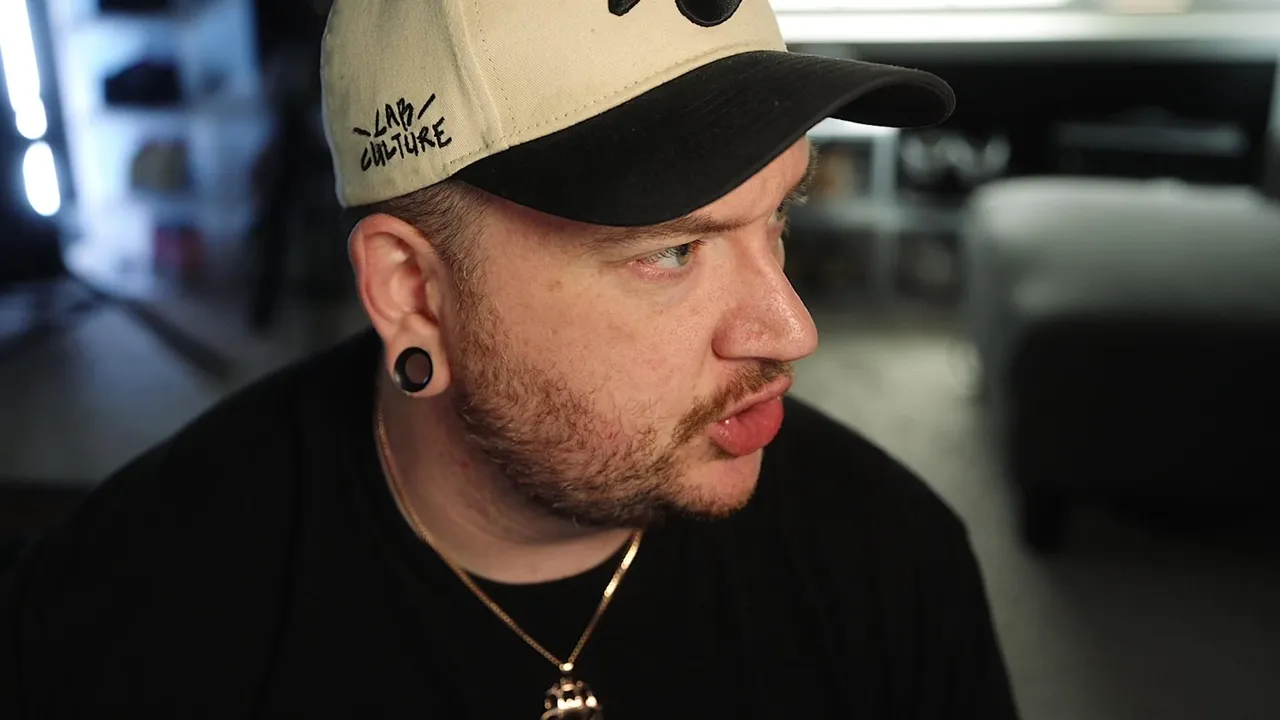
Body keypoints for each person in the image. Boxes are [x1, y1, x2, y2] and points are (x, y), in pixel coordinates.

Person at [1, 1, 1019, 717]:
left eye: (778, 217)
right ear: (414, 291)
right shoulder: (122, 620)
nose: (790, 330)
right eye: (672, 250)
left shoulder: (890, 555)